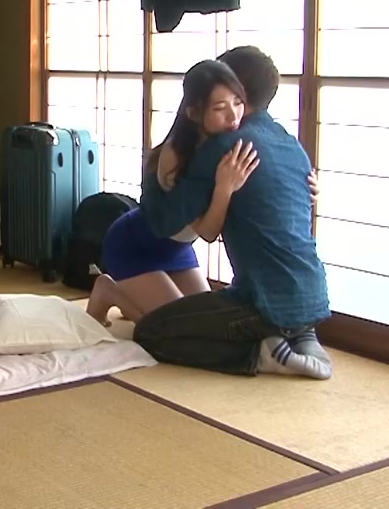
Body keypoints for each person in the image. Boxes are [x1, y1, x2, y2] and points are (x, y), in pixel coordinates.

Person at [134, 46, 333, 381]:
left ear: (236, 88)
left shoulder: (225, 147)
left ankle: (261, 353)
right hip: (313, 295)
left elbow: (163, 222)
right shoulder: (291, 144)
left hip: (261, 300)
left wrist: (152, 172)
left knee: (150, 332)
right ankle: (300, 333)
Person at [85, 60, 261, 326]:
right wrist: (224, 188)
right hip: (133, 245)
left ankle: (139, 297)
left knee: (208, 324)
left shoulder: (229, 140)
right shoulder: (176, 156)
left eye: (238, 102)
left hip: (176, 250)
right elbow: (209, 232)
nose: (233, 116)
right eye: (219, 108)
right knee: (179, 327)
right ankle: (109, 291)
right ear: (193, 113)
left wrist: (309, 189)